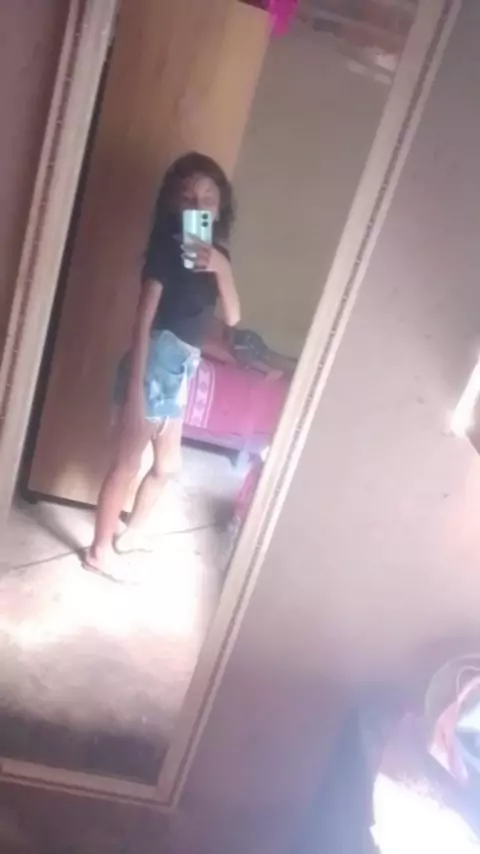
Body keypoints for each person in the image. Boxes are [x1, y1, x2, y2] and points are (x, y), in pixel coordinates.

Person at [84, 152, 240, 574]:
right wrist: (136, 390)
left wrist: (222, 268)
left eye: (207, 198)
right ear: (173, 204)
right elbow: (142, 322)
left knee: (168, 466)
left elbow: (232, 318)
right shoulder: (165, 251)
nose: (197, 206)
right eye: (187, 198)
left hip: (180, 369)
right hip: (154, 364)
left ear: (220, 207)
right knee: (127, 463)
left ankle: (132, 533)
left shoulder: (217, 258)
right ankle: (99, 552)